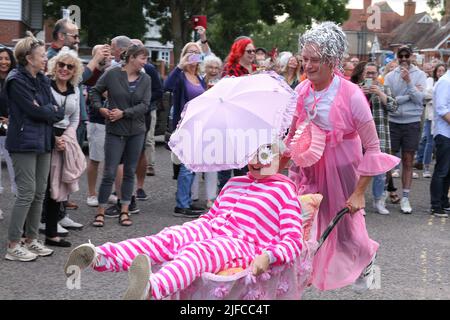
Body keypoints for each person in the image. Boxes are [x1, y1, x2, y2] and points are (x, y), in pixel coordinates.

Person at [63, 143, 305, 300]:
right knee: (168, 237)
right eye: (253, 152)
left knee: (198, 251)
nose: (257, 160)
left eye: (265, 154)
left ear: (279, 159)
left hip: (242, 244)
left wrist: (269, 256)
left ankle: (151, 289)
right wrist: (196, 227)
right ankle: (100, 256)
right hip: (211, 226)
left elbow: (294, 240)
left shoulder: (283, 191)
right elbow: (212, 215)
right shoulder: (234, 183)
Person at [280, 22, 399, 291]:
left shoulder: (352, 95)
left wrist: (359, 193)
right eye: (305, 59)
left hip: (343, 165)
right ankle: (303, 270)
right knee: (301, 219)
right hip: (308, 166)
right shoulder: (301, 91)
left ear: (332, 61)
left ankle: (367, 256)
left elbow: (372, 147)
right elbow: (292, 136)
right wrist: (276, 166)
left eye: (314, 60)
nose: (307, 66)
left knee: (346, 226)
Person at [4, 32, 64, 261]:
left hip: (43, 141)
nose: (45, 59)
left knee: (39, 193)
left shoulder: (42, 79)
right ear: (29, 58)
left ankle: (31, 240)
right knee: (27, 193)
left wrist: (46, 110)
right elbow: (36, 110)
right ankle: (13, 244)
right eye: (41, 55)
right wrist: (46, 110)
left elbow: (54, 110)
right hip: (23, 143)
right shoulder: (16, 80)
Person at [89, 44, 151, 227]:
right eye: (143, 58)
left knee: (130, 172)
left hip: (136, 131)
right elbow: (94, 91)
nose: (145, 62)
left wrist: (124, 113)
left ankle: (124, 210)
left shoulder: (145, 78)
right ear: (131, 58)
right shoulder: (112, 73)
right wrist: (100, 108)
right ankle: (100, 211)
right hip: (115, 130)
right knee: (109, 171)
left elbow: (145, 105)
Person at [40, 47, 86, 248]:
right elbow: (41, 114)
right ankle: (29, 233)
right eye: (61, 64)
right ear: (54, 65)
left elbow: (74, 118)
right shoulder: (45, 86)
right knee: (41, 187)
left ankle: (51, 234)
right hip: (45, 138)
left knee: (57, 188)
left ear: (74, 71)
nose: (64, 69)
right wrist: (53, 138)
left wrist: (66, 137)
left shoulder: (75, 90)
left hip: (65, 140)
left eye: (69, 66)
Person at [164, 42, 207, 218]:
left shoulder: (200, 78)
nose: (193, 55)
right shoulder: (181, 76)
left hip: (199, 127)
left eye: (197, 53)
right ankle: (181, 204)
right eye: (190, 52)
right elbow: (167, 86)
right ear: (184, 54)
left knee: (192, 166)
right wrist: (180, 65)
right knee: (186, 166)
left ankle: (186, 201)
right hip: (184, 126)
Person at [384, 45, 427, 214]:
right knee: (388, 160)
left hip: (411, 122)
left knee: (408, 161)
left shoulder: (420, 75)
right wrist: (409, 95)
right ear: (397, 57)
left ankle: (406, 198)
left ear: (411, 56)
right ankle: (387, 191)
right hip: (393, 121)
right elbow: (389, 101)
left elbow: (419, 99)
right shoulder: (389, 76)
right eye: (400, 56)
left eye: (406, 55)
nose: (403, 59)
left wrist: (409, 81)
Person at [218, 37, 257, 190]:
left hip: (250, 122)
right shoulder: (230, 69)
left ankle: (243, 201)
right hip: (232, 122)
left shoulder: (256, 70)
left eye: (254, 51)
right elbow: (225, 95)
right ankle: (224, 200)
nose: (252, 54)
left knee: (247, 166)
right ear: (240, 52)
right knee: (228, 165)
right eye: (249, 51)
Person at [361, 62, 398, 215]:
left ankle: (379, 200)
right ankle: (359, 200)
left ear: (378, 74)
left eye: (373, 73)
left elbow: (394, 107)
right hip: (360, 135)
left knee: (380, 172)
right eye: (368, 73)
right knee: (358, 169)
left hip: (379, 134)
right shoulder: (356, 89)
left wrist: (380, 94)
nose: (370, 76)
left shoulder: (384, 88)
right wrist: (363, 94)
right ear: (363, 74)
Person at [415, 63, 447, 178]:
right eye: (439, 71)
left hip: (442, 119)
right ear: (435, 72)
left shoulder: (446, 82)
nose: (441, 73)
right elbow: (426, 93)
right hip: (431, 116)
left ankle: (439, 167)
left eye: (443, 70)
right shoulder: (430, 80)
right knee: (429, 142)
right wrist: (436, 97)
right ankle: (426, 167)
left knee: (440, 145)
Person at [430, 60, 450, 218]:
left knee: (447, 171)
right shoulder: (445, 81)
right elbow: (441, 108)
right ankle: (436, 205)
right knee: (442, 170)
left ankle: (444, 201)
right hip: (444, 133)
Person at [0, 45, 17, 204]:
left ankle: (20, 205)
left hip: (11, 131)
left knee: (15, 170)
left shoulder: (15, 79)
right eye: (0, 58)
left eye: (7, 58)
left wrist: (11, 119)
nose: (3, 62)